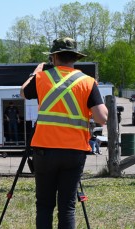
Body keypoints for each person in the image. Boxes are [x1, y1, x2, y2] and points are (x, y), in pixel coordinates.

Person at [20, 37, 108, 229]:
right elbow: (102, 118)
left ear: (53, 58)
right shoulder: (87, 81)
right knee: (67, 207)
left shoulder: (42, 77)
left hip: (44, 150)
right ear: (74, 58)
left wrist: (34, 72)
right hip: (74, 151)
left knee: (44, 205)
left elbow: (23, 93)